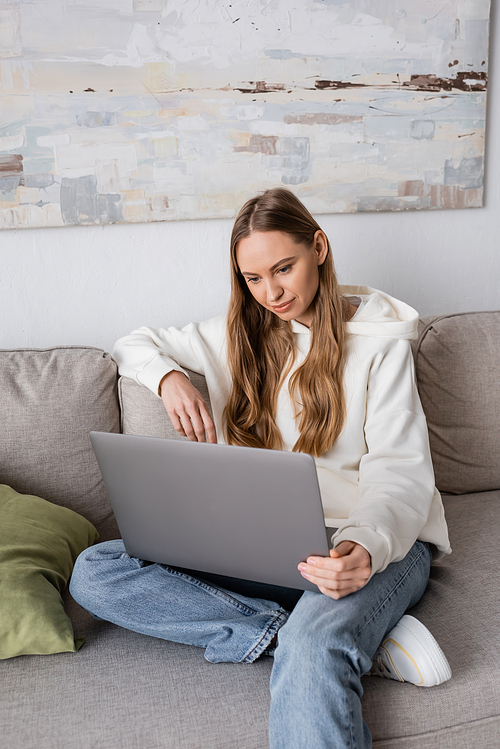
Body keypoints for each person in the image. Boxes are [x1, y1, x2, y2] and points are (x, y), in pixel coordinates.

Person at [70, 188, 452, 749]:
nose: (271, 292)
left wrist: (364, 546)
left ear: (318, 247)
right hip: (268, 545)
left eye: (283, 268)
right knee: (96, 570)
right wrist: (169, 378)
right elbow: (134, 342)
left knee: (316, 646)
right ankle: (313, 634)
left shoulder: (381, 342)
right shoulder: (236, 336)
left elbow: (400, 471)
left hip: (375, 543)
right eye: (252, 278)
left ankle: (322, 634)